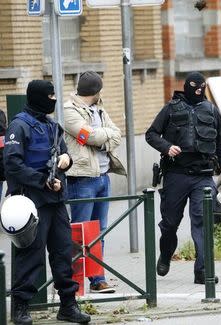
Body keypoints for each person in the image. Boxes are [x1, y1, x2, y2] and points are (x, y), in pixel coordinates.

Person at [4, 80, 90, 324]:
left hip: (56, 201)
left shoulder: (53, 127)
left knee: (64, 254)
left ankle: (68, 306)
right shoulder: (19, 126)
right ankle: (20, 308)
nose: (53, 99)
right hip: (31, 201)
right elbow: (12, 164)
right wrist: (43, 181)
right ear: (38, 97)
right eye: (50, 95)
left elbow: (64, 157)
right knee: (30, 256)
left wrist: (66, 162)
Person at [146, 71, 221, 284]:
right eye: (194, 86)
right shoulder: (171, 108)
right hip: (176, 175)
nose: (198, 90)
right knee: (169, 224)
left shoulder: (211, 110)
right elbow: (151, 134)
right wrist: (167, 147)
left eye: (201, 87)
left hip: (203, 176)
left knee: (202, 221)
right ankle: (165, 255)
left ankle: (202, 271)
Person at [64, 71, 126, 294]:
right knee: (80, 232)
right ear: (96, 90)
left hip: (103, 177)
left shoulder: (99, 108)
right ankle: (75, 282)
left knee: (99, 232)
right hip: (82, 179)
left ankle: (97, 279)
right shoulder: (68, 110)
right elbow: (87, 136)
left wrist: (101, 138)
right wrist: (103, 137)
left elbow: (117, 134)